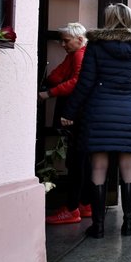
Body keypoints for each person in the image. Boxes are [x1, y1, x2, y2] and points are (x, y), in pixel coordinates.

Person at [61, 4, 131, 239]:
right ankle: (129, 225)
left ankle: (98, 226)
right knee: (128, 168)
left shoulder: (96, 46)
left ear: (108, 19)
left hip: (99, 111)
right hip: (130, 111)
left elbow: (85, 83)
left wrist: (69, 112)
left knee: (98, 167)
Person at [41, 23, 90, 225]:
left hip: (77, 114)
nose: (62, 44)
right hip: (80, 114)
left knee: (76, 161)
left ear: (79, 39)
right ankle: (85, 205)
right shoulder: (74, 54)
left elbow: (77, 82)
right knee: (80, 161)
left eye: (66, 40)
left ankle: (72, 209)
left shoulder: (80, 54)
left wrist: (49, 93)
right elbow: (57, 75)